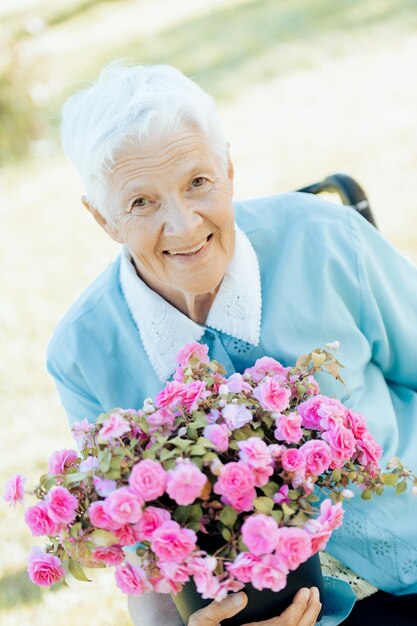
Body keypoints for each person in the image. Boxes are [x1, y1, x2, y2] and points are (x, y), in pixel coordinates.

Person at [47, 63, 417, 625]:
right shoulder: (83, 353)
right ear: (103, 218)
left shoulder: (327, 240)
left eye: (198, 182)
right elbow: (144, 560)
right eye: (142, 202)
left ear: (229, 170)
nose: (183, 225)